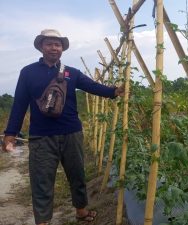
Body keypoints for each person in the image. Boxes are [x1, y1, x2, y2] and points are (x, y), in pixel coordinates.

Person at [1, 29, 124, 225]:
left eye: (57, 44)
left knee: (77, 174)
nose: (53, 48)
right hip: (41, 137)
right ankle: (43, 221)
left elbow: (92, 86)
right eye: (49, 44)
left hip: (71, 133)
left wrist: (114, 91)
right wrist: (10, 134)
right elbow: (19, 104)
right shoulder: (28, 72)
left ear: (62, 49)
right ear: (41, 46)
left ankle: (81, 211)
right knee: (41, 181)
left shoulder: (71, 73)